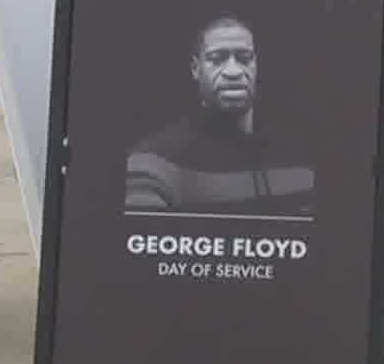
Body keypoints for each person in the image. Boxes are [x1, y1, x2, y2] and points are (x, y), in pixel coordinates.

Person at [124, 17, 316, 217]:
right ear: (196, 69)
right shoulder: (152, 164)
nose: (233, 72)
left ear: (256, 65)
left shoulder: (299, 161)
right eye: (217, 59)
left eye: (244, 58)